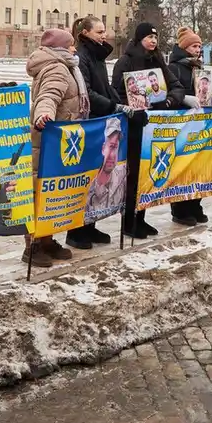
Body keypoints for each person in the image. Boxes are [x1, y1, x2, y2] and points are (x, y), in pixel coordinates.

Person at [112, 23, 184, 239]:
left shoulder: (158, 61)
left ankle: (141, 219)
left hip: (155, 126)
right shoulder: (125, 61)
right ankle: (129, 222)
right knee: (133, 174)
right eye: (149, 37)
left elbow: (176, 86)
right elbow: (116, 93)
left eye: (156, 37)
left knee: (148, 172)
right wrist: (133, 107)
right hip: (134, 126)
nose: (153, 41)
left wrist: (169, 101)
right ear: (139, 38)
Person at [23, 28, 86, 267]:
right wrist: (44, 114)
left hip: (61, 142)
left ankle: (47, 239)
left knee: (51, 191)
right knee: (41, 190)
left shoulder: (63, 65)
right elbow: (48, 96)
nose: (74, 48)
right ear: (61, 47)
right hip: (48, 140)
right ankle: (33, 246)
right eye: (71, 44)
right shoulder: (58, 68)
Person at [68, 16, 128, 249]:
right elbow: (88, 92)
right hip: (90, 123)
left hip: (103, 121)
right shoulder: (82, 57)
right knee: (86, 179)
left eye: (104, 31)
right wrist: (112, 106)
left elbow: (104, 86)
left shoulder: (97, 54)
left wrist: (120, 102)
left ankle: (90, 226)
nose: (104, 35)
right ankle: (76, 231)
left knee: (96, 175)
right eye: (99, 31)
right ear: (85, 33)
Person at [168, 27, 210, 225]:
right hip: (181, 124)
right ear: (184, 48)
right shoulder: (174, 67)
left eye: (200, 46)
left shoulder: (198, 67)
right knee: (182, 167)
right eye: (194, 45)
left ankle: (195, 204)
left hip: (198, 124)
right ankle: (180, 209)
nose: (198, 49)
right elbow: (171, 92)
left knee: (198, 167)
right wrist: (184, 98)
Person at [85, 118, 129, 223]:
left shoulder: (122, 174)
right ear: (102, 148)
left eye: (115, 147)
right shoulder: (87, 183)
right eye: (110, 147)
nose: (112, 155)